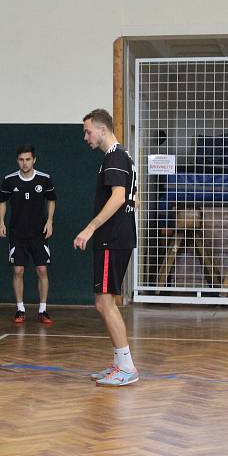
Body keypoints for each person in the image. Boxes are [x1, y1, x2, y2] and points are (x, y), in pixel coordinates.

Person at [73, 109, 139, 387]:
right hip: (118, 236)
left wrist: (90, 228)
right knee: (105, 302)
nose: (85, 137)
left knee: (104, 303)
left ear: (102, 129)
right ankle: (119, 363)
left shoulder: (114, 157)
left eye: (88, 131)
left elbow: (119, 198)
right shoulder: (121, 157)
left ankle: (126, 367)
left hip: (112, 238)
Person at [0, 144, 57, 324]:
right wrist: (1, 222)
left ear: (34, 160)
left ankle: (43, 310)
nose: (25, 163)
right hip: (17, 233)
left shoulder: (44, 179)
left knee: (41, 270)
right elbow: (2, 202)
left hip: (39, 233)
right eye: (21, 160)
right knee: (18, 270)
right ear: (17, 160)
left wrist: (49, 221)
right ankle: (20, 309)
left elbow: (52, 200)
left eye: (28, 159)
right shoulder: (9, 180)